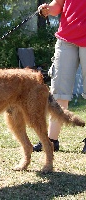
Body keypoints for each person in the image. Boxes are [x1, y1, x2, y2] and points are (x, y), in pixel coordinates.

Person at [33, 0, 86, 152]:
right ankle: (51, 140)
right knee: (59, 91)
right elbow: (59, 5)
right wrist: (48, 9)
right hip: (66, 39)